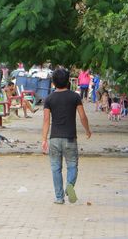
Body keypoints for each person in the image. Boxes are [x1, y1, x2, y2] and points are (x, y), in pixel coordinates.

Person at [42, 69, 91, 204]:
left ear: (53, 83)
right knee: (72, 165)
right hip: (70, 138)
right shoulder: (75, 97)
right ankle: (70, 185)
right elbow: (82, 117)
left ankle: (59, 197)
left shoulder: (49, 99)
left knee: (56, 168)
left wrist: (44, 139)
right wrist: (87, 131)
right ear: (68, 81)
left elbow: (46, 120)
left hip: (54, 138)